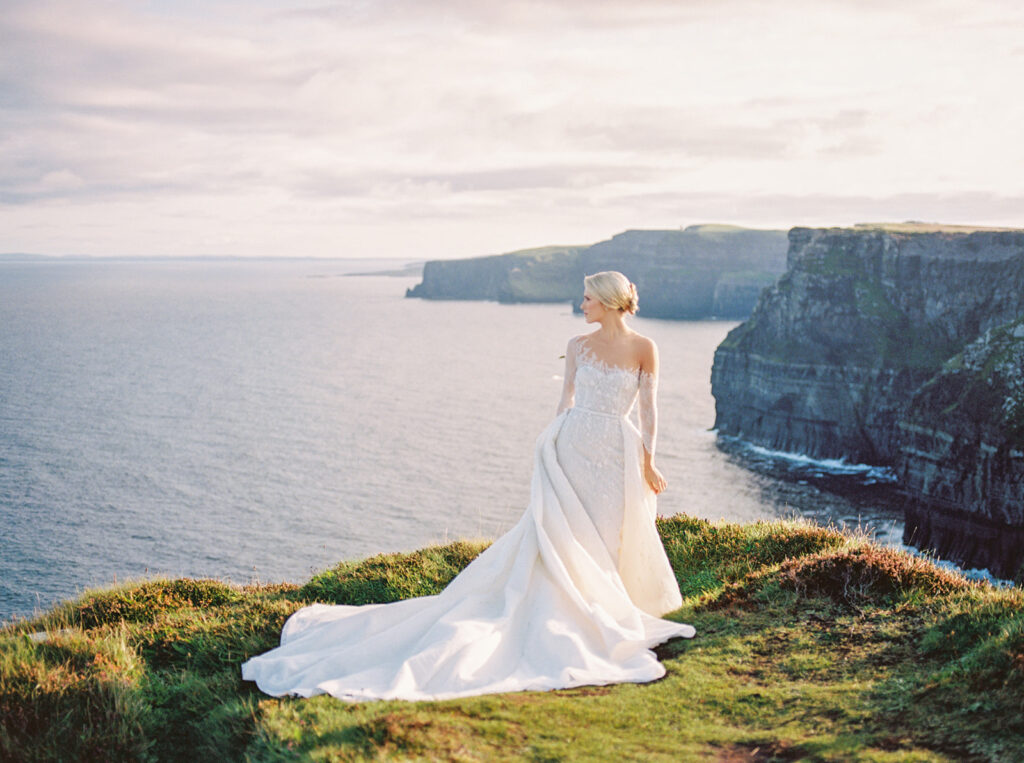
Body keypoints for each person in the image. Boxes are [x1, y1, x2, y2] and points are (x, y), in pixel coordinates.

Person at [241, 271, 695, 702]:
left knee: (609, 531)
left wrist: (648, 462)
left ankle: (609, 607)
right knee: (567, 534)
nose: (581, 306)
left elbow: (651, 411)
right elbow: (566, 402)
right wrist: (548, 447)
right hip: (572, 447)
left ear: (610, 301)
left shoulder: (645, 347)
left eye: (588, 299)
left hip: (617, 449)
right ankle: (580, 610)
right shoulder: (577, 345)